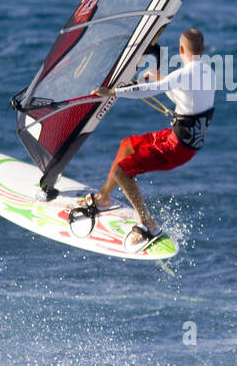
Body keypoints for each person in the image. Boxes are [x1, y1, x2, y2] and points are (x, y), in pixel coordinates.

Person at [70, 28, 215, 249]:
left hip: (177, 147)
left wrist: (113, 92)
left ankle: (148, 224)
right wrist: (162, 78)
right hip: (181, 140)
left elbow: (149, 90)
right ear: (202, 50)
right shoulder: (208, 72)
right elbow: (181, 96)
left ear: (181, 49)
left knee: (122, 171)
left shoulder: (184, 75)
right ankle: (103, 197)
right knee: (127, 145)